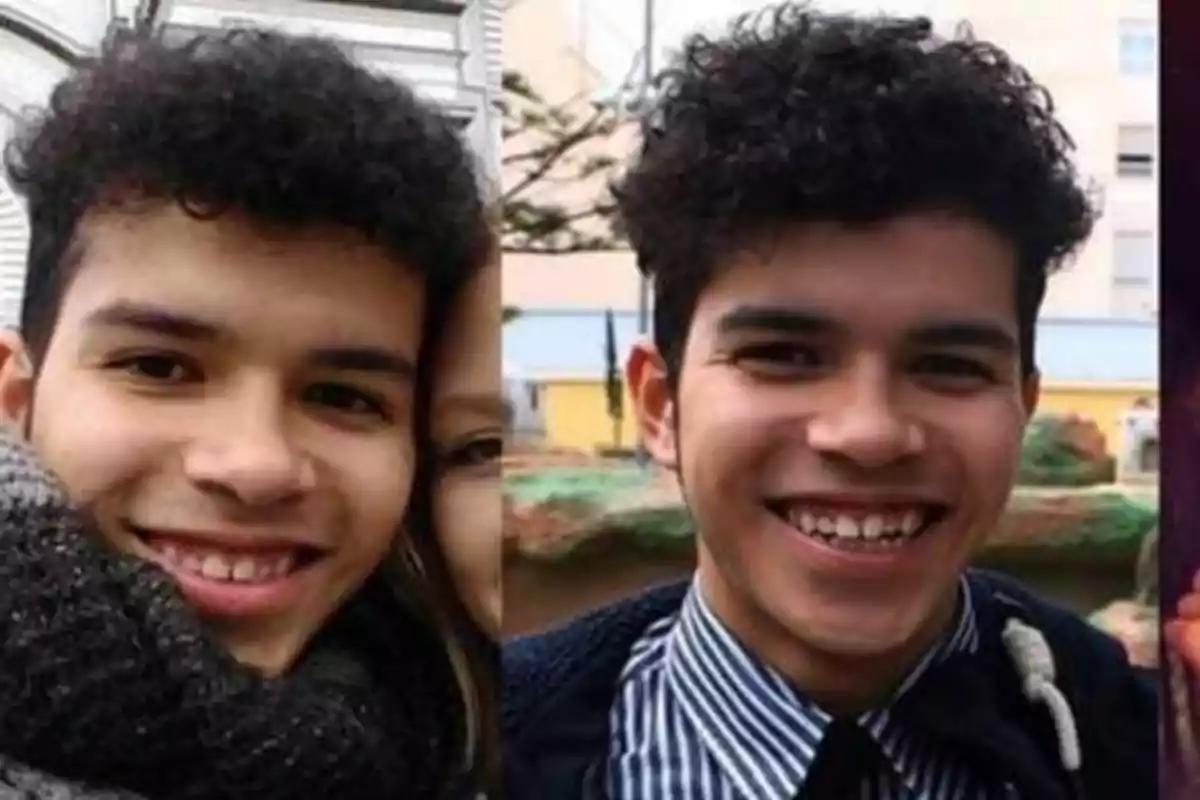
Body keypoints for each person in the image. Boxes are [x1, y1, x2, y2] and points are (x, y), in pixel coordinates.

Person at [503, 5, 1156, 799]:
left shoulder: (1136, 741)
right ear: (661, 405)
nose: (869, 433)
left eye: (948, 365)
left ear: (1021, 409)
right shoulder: (470, 750)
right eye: (783, 356)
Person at [0, 23, 493, 800]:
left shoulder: (464, 725)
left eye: (343, 397)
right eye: (160, 367)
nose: (256, 466)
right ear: (15, 398)